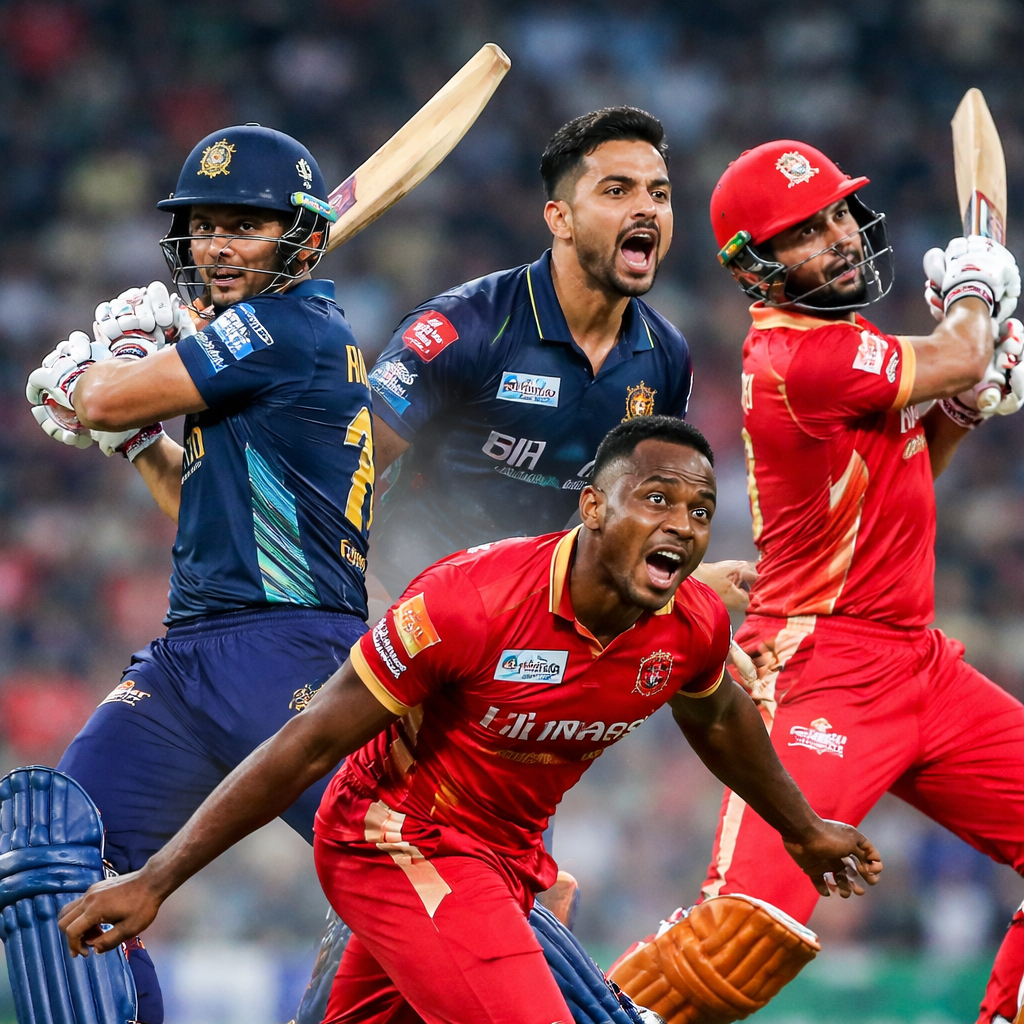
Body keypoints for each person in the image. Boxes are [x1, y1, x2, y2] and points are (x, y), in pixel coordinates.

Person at [56, 416, 882, 1024]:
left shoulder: (689, 625)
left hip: (504, 861)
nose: (681, 524)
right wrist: (156, 878)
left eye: (700, 511)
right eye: (656, 498)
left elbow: (721, 719)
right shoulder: (468, 602)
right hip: (394, 840)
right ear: (593, 507)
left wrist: (803, 829)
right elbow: (307, 745)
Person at [614, 139, 1024, 1024]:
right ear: (754, 267)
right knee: (735, 941)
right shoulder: (798, 359)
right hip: (823, 667)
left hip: (917, 662)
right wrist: (974, 294)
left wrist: (960, 410)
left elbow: (896, 477)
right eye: (805, 231)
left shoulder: (845, 340)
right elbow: (958, 351)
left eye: (838, 213)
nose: (838, 236)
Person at [19, 124, 373, 1024]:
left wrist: (114, 366)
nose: (216, 246)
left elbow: (100, 395)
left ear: (300, 236)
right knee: (58, 858)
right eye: (205, 225)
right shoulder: (259, 343)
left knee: (412, 877)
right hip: (193, 654)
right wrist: (141, 440)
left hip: (288, 652)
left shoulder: (285, 327)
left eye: (244, 225)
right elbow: (206, 507)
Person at [367, 105, 754, 611]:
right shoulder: (465, 326)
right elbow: (341, 471)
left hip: (528, 619)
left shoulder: (665, 357)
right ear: (560, 218)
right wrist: (363, 599)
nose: (646, 208)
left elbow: (628, 524)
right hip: (404, 601)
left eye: (659, 194)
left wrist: (694, 586)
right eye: (617, 191)